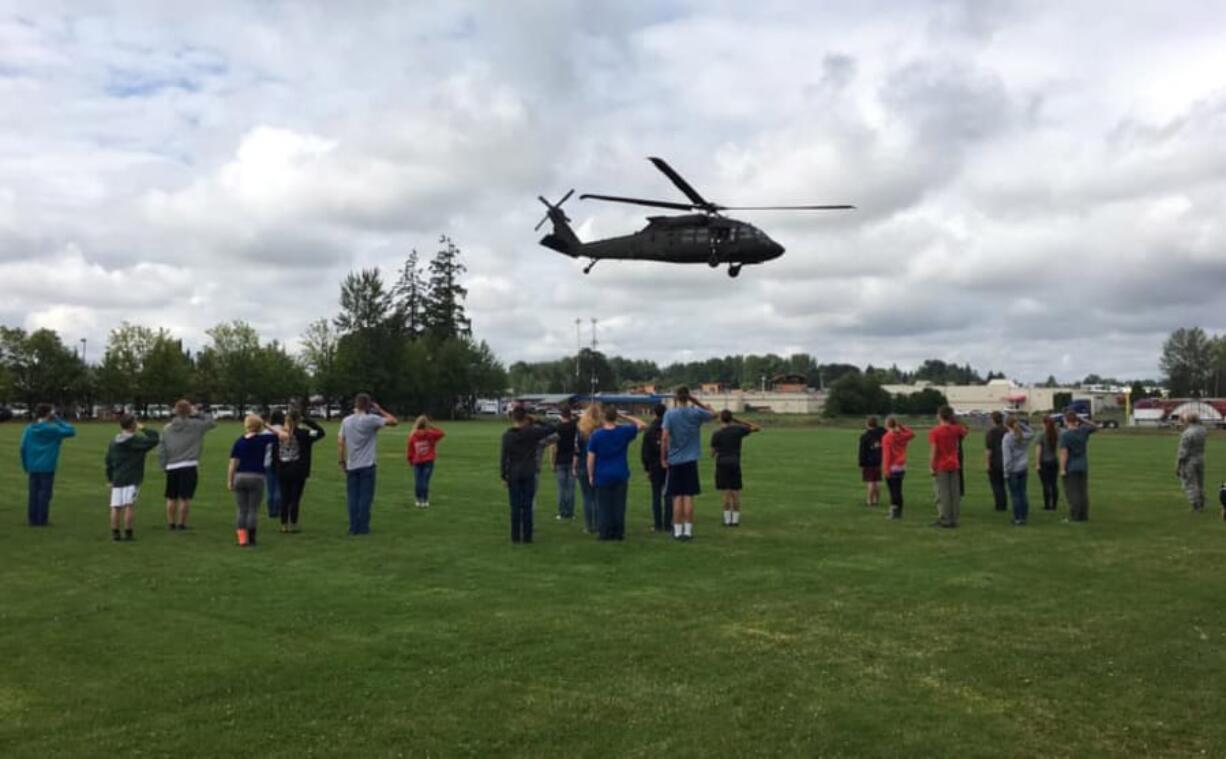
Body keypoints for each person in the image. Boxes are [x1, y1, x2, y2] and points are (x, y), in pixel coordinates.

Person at [338, 394, 399, 535]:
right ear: (368, 405)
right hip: (367, 464)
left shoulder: (346, 421)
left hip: (352, 464)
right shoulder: (371, 419)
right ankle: (363, 526)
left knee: (352, 497)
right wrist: (380, 410)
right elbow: (394, 421)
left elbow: (340, 442)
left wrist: (341, 460)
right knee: (365, 497)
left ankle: (353, 526)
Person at [661, 386, 715, 542]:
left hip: (675, 460)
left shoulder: (670, 414)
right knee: (689, 497)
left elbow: (664, 438)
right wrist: (696, 401)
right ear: (688, 397)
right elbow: (714, 414)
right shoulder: (695, 412)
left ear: (677, 398)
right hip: (691, 460)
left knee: (677, 497)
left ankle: (677, 531)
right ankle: (688, 530)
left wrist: (663, 458)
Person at [587, 406, 647, 540]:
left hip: (602, 474)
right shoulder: (623, 432)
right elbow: (642, 425)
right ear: (615, 417)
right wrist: (625, 416)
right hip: (620, 472)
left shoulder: (597, 435)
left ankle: (604, 532)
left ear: (603, 417)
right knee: (619, 505)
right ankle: (618, 532)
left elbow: (591, 458)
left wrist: (591, 475)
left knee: (604, 505)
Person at [500, 408, 558, 544]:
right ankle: (527, 536)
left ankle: (515, 536)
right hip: (528, 471)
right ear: (526, 418)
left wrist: (503, 475)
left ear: (513, 418)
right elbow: (552, 428)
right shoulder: (532, 432)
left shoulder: (507, 436)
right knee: (527, 505)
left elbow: (504, 457)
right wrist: (537, 420)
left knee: (515, 506)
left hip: (514, 473)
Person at [159, 399, 217, 530]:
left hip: (172, 465)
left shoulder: (167, 428)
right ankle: (181, 523)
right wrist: (198, 413)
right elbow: (212, 423)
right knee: (185, 497)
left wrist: (163, 465)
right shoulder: (196, 425)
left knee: (171, 497)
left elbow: (162, 448)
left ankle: (170, 523)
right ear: (189, 410)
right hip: (189, 464)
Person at [105, 415, 160, 541]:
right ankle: (128, 532)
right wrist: (143, 428)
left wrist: (109, 478)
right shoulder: (136, 441)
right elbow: (155, 438)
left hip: (117, 477)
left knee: (115, 506)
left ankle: (115, 533)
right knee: (129, 505)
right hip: (133, 477)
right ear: (133, 425)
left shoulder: (114, 442)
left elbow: (108, 461)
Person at [19, 404, 76, 527]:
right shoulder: (52, 429)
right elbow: (71, 431)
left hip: (32, 465)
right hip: (47, 465)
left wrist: (25, 464)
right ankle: (42, 520)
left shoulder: (29, 429)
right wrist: (57, 419)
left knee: (33, 493)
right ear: (48, 414)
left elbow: (22, 447)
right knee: (45, 494)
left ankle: (32, 519)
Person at [228, 415, 279, 546]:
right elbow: (282, 435)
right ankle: (252, 538)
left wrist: (230, 480)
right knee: (252, 510)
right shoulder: (262, 439)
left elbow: (233, 463)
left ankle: (242, 539)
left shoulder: (239, 442)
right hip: (257, 476)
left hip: (240, 476)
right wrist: (267, 425)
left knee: (241, 509)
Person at [275, 409, 325, 532]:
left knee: (284, 498)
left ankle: (283, 525)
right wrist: (307, 420)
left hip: (283, 468)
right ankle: (293, 524)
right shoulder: (304, 433)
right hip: (299, 470)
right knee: (295, 499)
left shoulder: (280, 434)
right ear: (298, 420)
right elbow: (321, 432)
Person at [710, 410, 761, 527]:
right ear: (731, 419)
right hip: (734, 462)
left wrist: (718, 449)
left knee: (726, 492)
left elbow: (712, 453)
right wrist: (739, 421)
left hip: (722, 463)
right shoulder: (738, 430)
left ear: (721, 419)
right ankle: (735, 520)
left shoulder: (717, 433)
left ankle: (727, 520)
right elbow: (757, 427)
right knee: (736, 492)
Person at [928, 405, 968, 528]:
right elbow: (965, 430)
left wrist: (931, 465)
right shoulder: (956, 429)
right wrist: (955, 420)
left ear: (940, 416)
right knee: (954, 493)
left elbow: (934, 450)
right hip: (954, 463)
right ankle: (954, 518)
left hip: (941, 464)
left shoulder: (935, 431)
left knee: (943, 493)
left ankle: (946, 519)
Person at [1059, 410, 1099, 522]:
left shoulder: (1065, 435)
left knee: (1073, 492)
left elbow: (1064, 453)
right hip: (1083, 465)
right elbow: (1095, 426)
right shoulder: (1082, 431)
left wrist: (1062, 468)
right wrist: (1082, 419)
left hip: (1071, 466)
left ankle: (1075, 515)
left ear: (1066, 421)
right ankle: (1083, 515)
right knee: (1083, 492)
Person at [640, 403, 670, 532]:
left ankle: (658, 524)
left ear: (654, 413)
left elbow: (645, 451)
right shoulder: (669, 427)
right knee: (668, 494)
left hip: (654, 464)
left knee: (656, 495)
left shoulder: (650, 430)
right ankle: (668, 523)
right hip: (669, 463)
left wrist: (647, 468)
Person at [1002, 416, 1036, 525]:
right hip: (1023, 467)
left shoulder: (1007, 438)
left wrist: (1006, 472)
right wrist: (1021, 424)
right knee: (1022, 493)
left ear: (1006, 425)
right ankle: (1023, 517)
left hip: (1013, 469)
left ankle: (1017, 518)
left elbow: (1007, 457)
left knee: (1015, 495)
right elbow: (1032, 432)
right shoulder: (1024, 436)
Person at [406, 415, 446, 508]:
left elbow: (410, 449)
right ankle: (425, 500)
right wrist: (431, 426)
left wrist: (410, 459)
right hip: (428, 460)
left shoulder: (413, 435)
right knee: (425, 481)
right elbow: (441, 433)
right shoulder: (430, 434)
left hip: (417, 460)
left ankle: (418, 499)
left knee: (418, 481)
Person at [880, 416, 915, 520]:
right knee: (898, 490)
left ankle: (894, 512)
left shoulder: (887, 437)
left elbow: (887, 455)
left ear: (886, 425)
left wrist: (886, 469)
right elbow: (912, 433)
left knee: (893, 491)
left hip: (892, 466)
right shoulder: (902, 435)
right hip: (901, 465)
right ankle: (899, 511)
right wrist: (902, 427)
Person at [576, 402, 602, 534]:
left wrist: (574, 466)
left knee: (587, 497)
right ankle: (598, 525)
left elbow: (576, 450)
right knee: (597, 497)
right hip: (599, 465)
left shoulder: (581, 431)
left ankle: (588, 525)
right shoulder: (602, 430)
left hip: (583, 464)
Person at [1176, 412, 1207, 512]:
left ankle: (1195, 504)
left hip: (1189, 460)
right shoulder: (1203, 430)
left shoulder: (1188, 433)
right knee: (1199, 482)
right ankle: (1201, 501)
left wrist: (1179, 465)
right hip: (1200, 458)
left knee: (1189, 483)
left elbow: (1183, 451)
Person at [552, 406, 579, 520]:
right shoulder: (575, 426)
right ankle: (570, 512)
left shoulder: (557, 427)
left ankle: (562, 512)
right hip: (573, 459)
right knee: (571, 488)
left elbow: (554, 447)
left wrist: (552, 462)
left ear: (561, 415)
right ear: (570, 414)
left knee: (561, 488)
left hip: (560, 459)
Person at [858, 416, 886, 506]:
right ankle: (876, 500)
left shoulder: (865, 436)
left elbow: (862, 451)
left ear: (867, 424)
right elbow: (884, 429)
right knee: (877, 481)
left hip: (868, 461)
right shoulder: (881, 434)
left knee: (870, 481)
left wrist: (861, 463)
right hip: (879, 460)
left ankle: (869, 501)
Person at [1035, 416, 1061, 511]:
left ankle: (1047, 505)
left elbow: (1038, 450)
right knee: (1054, 484)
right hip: (1054, 461)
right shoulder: (1056, 433)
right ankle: (1054, 505)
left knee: (1046, 484)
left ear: (1044, 424)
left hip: (1044, 462)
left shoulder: (1041, 435)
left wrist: (1037, 463)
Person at [263, 409, 286, 519]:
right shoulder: (284, 431)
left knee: (270, 488)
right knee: (279, 487)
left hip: (267, 461)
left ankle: (271, 510)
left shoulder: (265, 432)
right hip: (281, 461)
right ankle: (278, 508)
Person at [984, 411, 1008, 512]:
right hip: (1006, 459)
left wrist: (987, 463)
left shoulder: (991, 432)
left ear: (993, 420)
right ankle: (1004, 503)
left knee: (996, 484)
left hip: (995, 460)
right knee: (1002, 484)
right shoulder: (1007, 430)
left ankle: (999, 505)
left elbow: (989, 449)